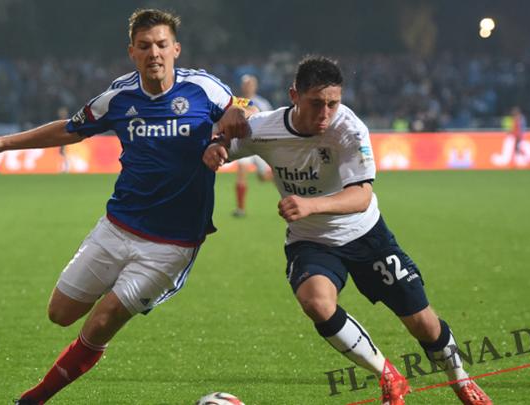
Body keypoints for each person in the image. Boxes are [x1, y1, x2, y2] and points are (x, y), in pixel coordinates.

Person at [0, 8, 252, 404]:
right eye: (144, 46)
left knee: (102, 320)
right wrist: (3, 143)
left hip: (172, 244)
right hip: (118, 226)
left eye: (161, 45)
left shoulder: (203, 88)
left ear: (176, 49)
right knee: (60, 313)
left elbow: (242, 107)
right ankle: (122, 288)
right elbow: (71, 129)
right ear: (132, 52)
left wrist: (228, 128)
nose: (154, 53)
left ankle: (32, 400)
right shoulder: (118, 97)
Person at [203, 57, 492, 405]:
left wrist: (310, 205)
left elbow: (361, 196)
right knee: (315, 302)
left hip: (366, 234)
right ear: (294, 96)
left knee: (423, 323)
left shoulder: (349, 129)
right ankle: (388, 375)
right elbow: (225, 143)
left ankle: (459, 378)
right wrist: (217, 148)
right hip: (311, 241)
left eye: (333, 103)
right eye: (316, 103)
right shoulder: (265, 128)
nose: (325, 113)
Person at [232, 74, 273, 217]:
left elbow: (271, 121)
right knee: (241, 172)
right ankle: (240, 209)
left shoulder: (263, 103)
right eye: (245, 84)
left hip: (260, 144)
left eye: (250, 84)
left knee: (264, 177)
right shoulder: (236, 102)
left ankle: (287, 190)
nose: (247, 87)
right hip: (243, 143)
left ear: (255, 86)